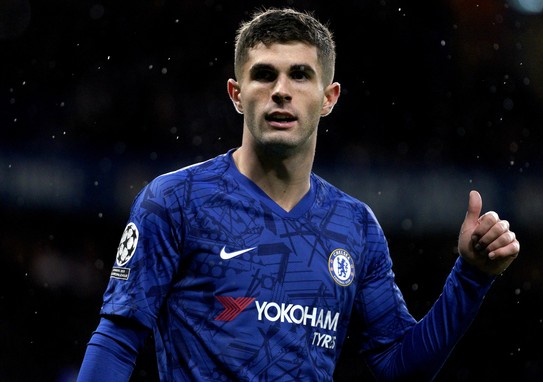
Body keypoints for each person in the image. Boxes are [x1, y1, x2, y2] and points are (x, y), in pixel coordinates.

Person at [77, 7, 520, 382]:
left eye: (300, 75)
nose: (281, 91)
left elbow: (398, 364)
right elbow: (117, 340)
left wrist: (472, 276)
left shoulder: (356, 226)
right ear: (236, 94)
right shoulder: (175, 200)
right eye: (264, 75)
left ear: (329, 97)